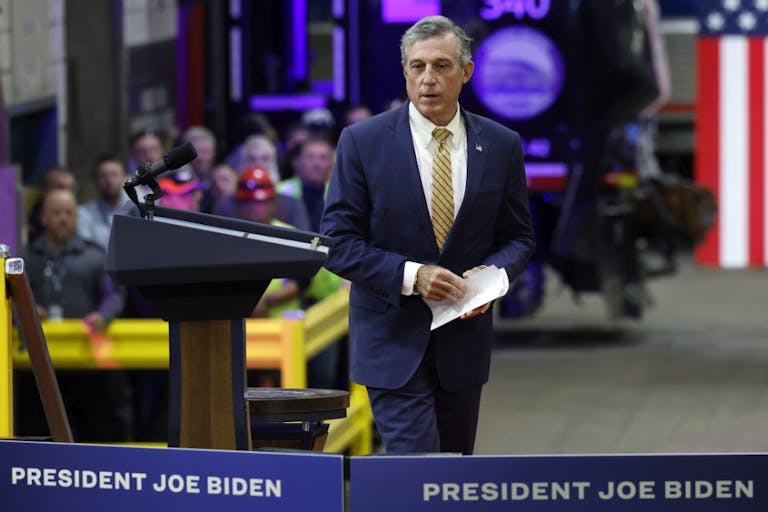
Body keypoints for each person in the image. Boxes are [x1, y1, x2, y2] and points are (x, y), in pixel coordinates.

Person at [320, 15, 535, 455]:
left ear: (467, 72)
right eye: (417, 67)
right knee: (416, 467)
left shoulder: (500, 145)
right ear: (405, 72)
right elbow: (337, 243)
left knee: (452, 474)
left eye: (441, 66)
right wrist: (412, 275)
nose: (428, 80)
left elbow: (519, 238)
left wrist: (492, 279)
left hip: (463, 347)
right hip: (391, 341)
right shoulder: (362, 142)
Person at [18, 188, 131, 441]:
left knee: (92, 434)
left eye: (68, 212)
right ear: (44, 218)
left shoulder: (95, 256)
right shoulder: (27, 259)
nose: (63, 218)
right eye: (56, 213)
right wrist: (27, 310)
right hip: (40, 367)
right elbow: (10, 302)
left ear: (77, 218)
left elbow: (114, 296)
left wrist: (103, 316)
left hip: (87, 364)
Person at [277, 136, 335, 232]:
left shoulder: (339, 194)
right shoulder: (280, 191)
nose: (317, 163)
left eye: (323, 158)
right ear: (297, 162)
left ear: (331, 164)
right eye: (310, 157)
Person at [76, 155, 129, 250]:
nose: (109, 181)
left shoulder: (136, 209)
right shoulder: (83, 214)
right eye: (103, 176)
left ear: (125, 177)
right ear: (95, 180)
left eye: (114, 175)